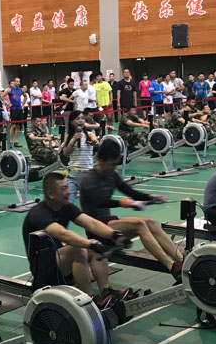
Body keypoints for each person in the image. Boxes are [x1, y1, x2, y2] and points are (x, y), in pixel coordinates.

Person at [21, 172, 131, 307]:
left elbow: (92, 223)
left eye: (67, 187)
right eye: (63, 189)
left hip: (60, 261)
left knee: (96, 250)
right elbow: (62, 234)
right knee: (77, 249)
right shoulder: (39, 213)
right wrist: (90, 243)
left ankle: (106, 291)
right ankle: (91, 300)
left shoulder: (66, 207)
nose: (68, 192)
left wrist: (114, 235)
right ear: (50, 194)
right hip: (43, 270)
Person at [79, 140, 181, 282]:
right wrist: (124, 203)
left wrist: (151, 197)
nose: (114, 168)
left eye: (116, 164)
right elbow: (100, 201)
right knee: (139, 225)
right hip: (96, 228)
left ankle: (181, 261)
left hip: (110, 222)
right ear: (100, 161)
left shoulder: (112, 174)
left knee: (150, 221)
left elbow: (130, 192)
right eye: (112, 164)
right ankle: (172, 267)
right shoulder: (88, 179)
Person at [62, 110, 101, 200]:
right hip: (72, 174)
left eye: (82, 118)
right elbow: (65, 153)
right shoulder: (68, 137)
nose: (81, 121)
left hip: (87, 175)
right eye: (78, 118)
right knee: (68, 202)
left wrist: (94, 143)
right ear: (71, 122)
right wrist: (74, 140)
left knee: (89, 202)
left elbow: (96, 143)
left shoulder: (90, 135)